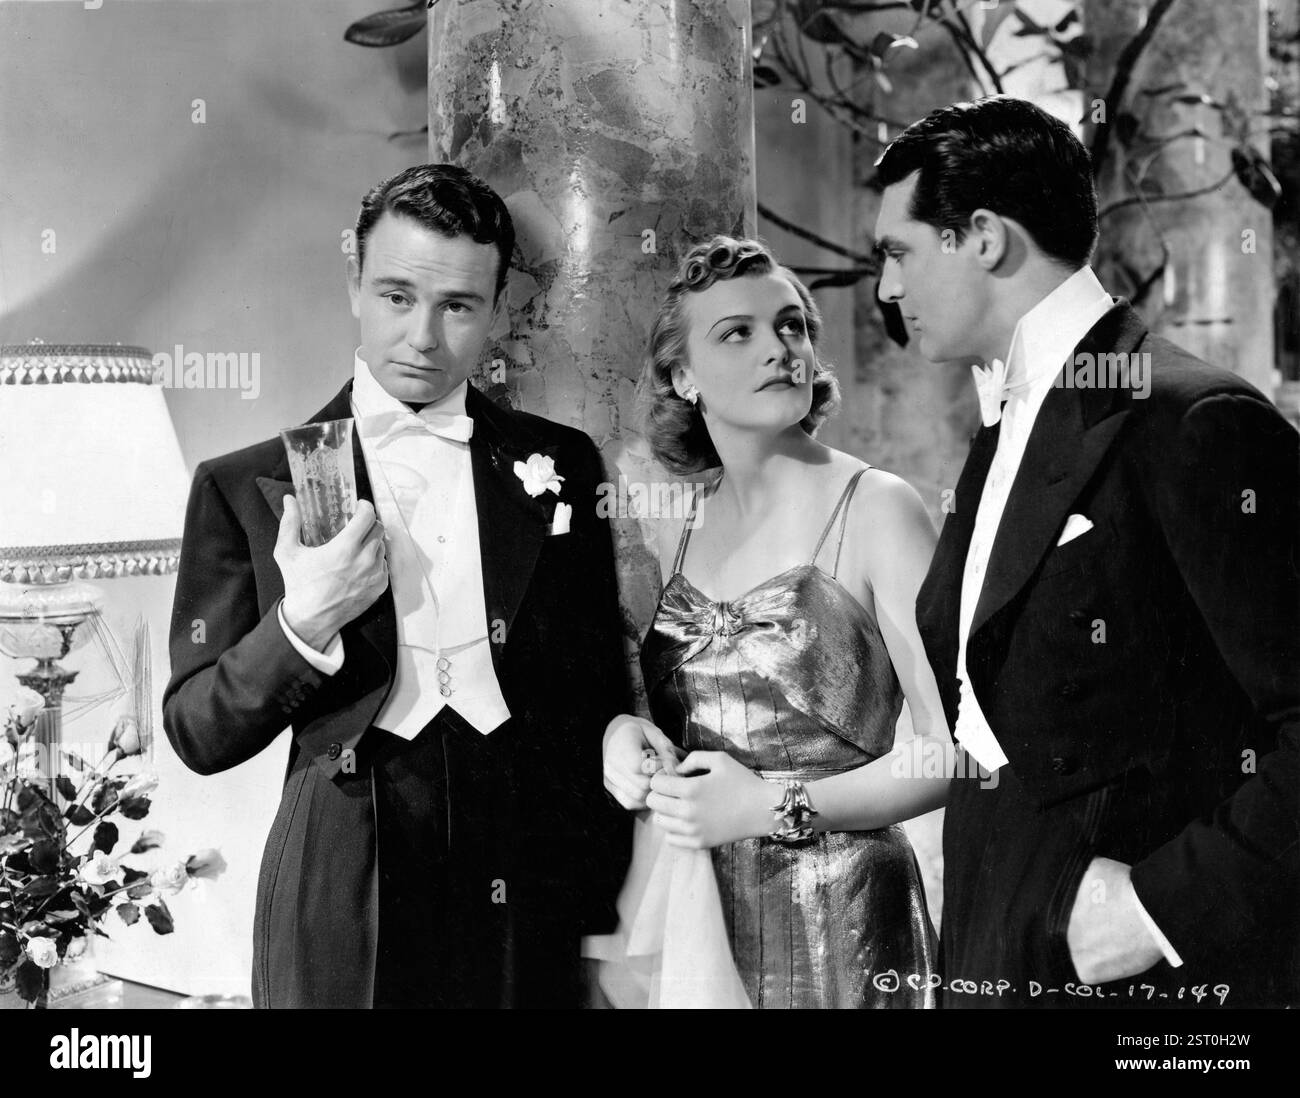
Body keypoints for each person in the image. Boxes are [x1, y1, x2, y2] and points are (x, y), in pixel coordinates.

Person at [162, 163, 631, 1008]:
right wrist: (305, 622)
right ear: (354, 282)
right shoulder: (244, 485)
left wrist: (602, 916)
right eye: (396, 296)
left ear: (497, 306)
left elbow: (596, 692)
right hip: (342, 863)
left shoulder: (561, 463)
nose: (423, 336)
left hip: (524, 866)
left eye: (458, 306)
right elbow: (199, 730)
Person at [874, 96, 1300, 1008]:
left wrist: (1158, 910)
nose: (886, 289)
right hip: (991, 932)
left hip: (1138, 974)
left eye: (899, 252)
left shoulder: (1196, 418)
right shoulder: (1003, 423)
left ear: (982, 237)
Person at [599, 236, 953, 1009]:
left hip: (848, 918)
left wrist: (774, 806)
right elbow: (646, 708)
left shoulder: (878, 507)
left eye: (791, 325)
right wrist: (625, 735)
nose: (779, 348)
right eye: (739, 332)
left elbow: (949, 753)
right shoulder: (671, 524)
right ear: (683, 376)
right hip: (700, 914)